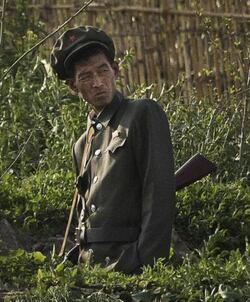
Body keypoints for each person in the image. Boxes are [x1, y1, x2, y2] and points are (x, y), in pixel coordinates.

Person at [50, 26, 175, 274]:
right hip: (91, 271)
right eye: (86, 76)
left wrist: (147, 267)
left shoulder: (142, 113)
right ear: (73, 86)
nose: (98, 83)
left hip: (129, 266)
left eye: (103, 70)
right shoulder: (81, 146)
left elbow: (159, 194)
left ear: (115, 70)